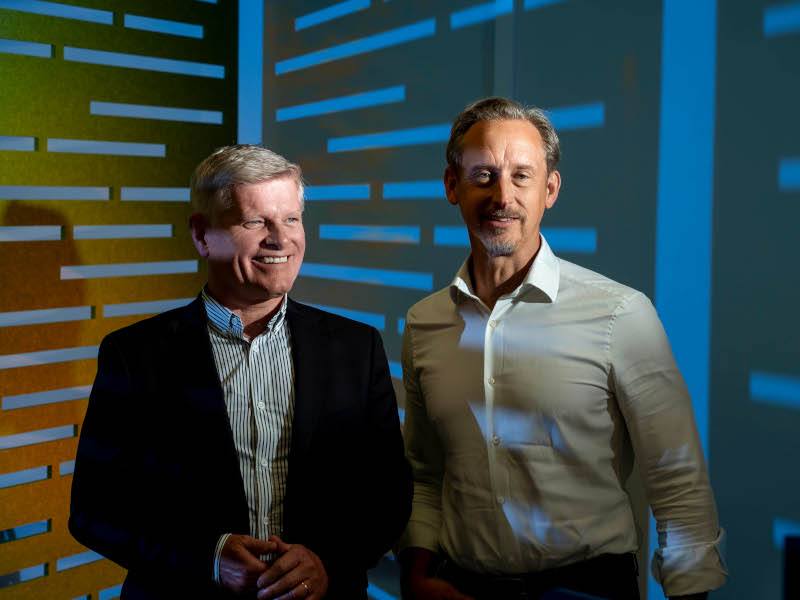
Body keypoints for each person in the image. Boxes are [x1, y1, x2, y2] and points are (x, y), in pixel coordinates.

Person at [397, 98, 727, 600]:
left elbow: (677, 479)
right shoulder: (425, 323)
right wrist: (416, 578)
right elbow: (425, 472)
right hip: (462, 587)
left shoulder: (621, 313)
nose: (502, 195)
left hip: (587, 588)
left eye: (521, 176)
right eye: (483, 175)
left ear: (550, 189)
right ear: (451, 186)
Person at [69, 144, 412, 599]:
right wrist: (207, 556)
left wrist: (327, 560)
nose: (281, 239)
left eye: (291, 219)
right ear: (201, 235)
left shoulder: (357, 348)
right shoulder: (135, 355)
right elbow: (96, 509)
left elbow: (388, 494)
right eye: (256, 222)